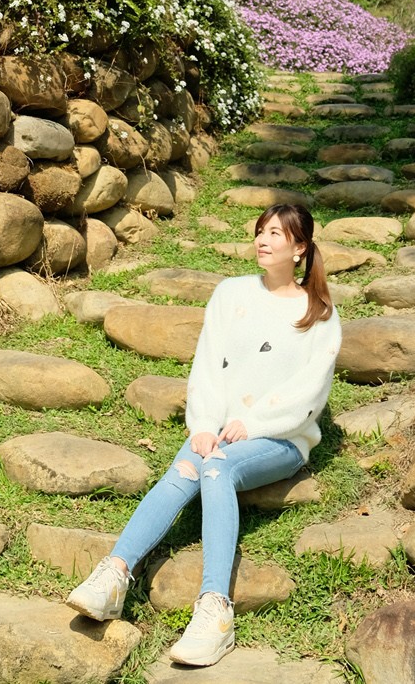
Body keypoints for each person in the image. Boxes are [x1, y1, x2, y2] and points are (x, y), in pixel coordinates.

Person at [67, 201, 342, 668]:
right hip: (219, 431)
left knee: (215, 468)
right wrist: (203, 427)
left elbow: (310, 391)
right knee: (188, 464)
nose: (263, 240)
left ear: (299, 248)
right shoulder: (230, 293)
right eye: (260, 231)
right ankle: (114, 574)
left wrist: (253, 424)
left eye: (276, 234)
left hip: (281, 439)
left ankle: (216, 610)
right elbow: (208, 368)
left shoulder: (318, 312)